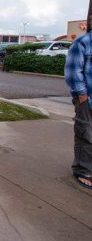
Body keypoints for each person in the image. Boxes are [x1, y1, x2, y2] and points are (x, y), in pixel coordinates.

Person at [65, 33, 92, 189]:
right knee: (86, 134)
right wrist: (82, 95)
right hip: (87, 98)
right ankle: (83, 170)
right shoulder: (83, 42)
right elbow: (73, 71)